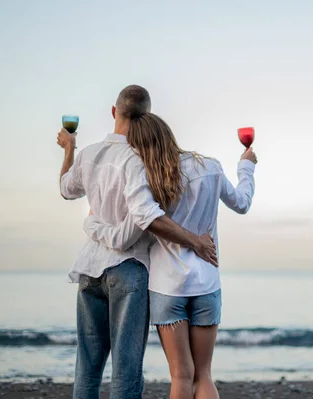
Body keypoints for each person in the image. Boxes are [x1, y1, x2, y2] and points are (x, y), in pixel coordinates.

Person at [57, 85, 218, 399]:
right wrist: (196, 242)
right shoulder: (142, 160)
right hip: (128, 270)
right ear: (148, 117)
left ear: (114, 112)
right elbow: (130, 231)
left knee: (87, 367)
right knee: (126, 369)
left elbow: (65, 188)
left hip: (90, 269)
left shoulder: (88, 153)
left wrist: (69, 150)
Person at [83, 112, 257, 399]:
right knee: (203, 376)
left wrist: (93, 220)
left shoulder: (147, 179)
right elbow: (242, 203)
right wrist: (246, 167)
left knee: (180, 375)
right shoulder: (211, 167)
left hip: (167, 287)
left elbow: (133, 226)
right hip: (207, 281)